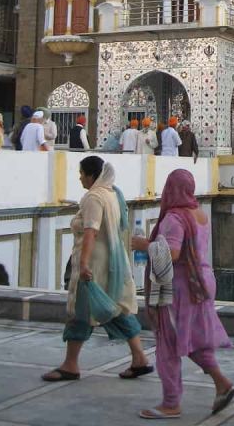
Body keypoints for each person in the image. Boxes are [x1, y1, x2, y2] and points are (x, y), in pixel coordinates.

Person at [133, 169, 234, 419]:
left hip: (178, 287)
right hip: (201, 280)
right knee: (192, 338)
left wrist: (144, 246)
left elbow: (173, 253)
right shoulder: (199, 213)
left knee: (167, 342)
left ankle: (171, 403)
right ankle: (222, 383)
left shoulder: (174, 217)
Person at [41, 156, 152, 381]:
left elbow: (91, 231)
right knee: (116, 307)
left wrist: (83, 263)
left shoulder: (94, 197)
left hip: (95, 263)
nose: (80, 177)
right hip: (113, 261)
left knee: (81, 309)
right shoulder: (113, 193)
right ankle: (139, 357)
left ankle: (71, 364)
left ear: (92, 175)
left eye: (82, 173)